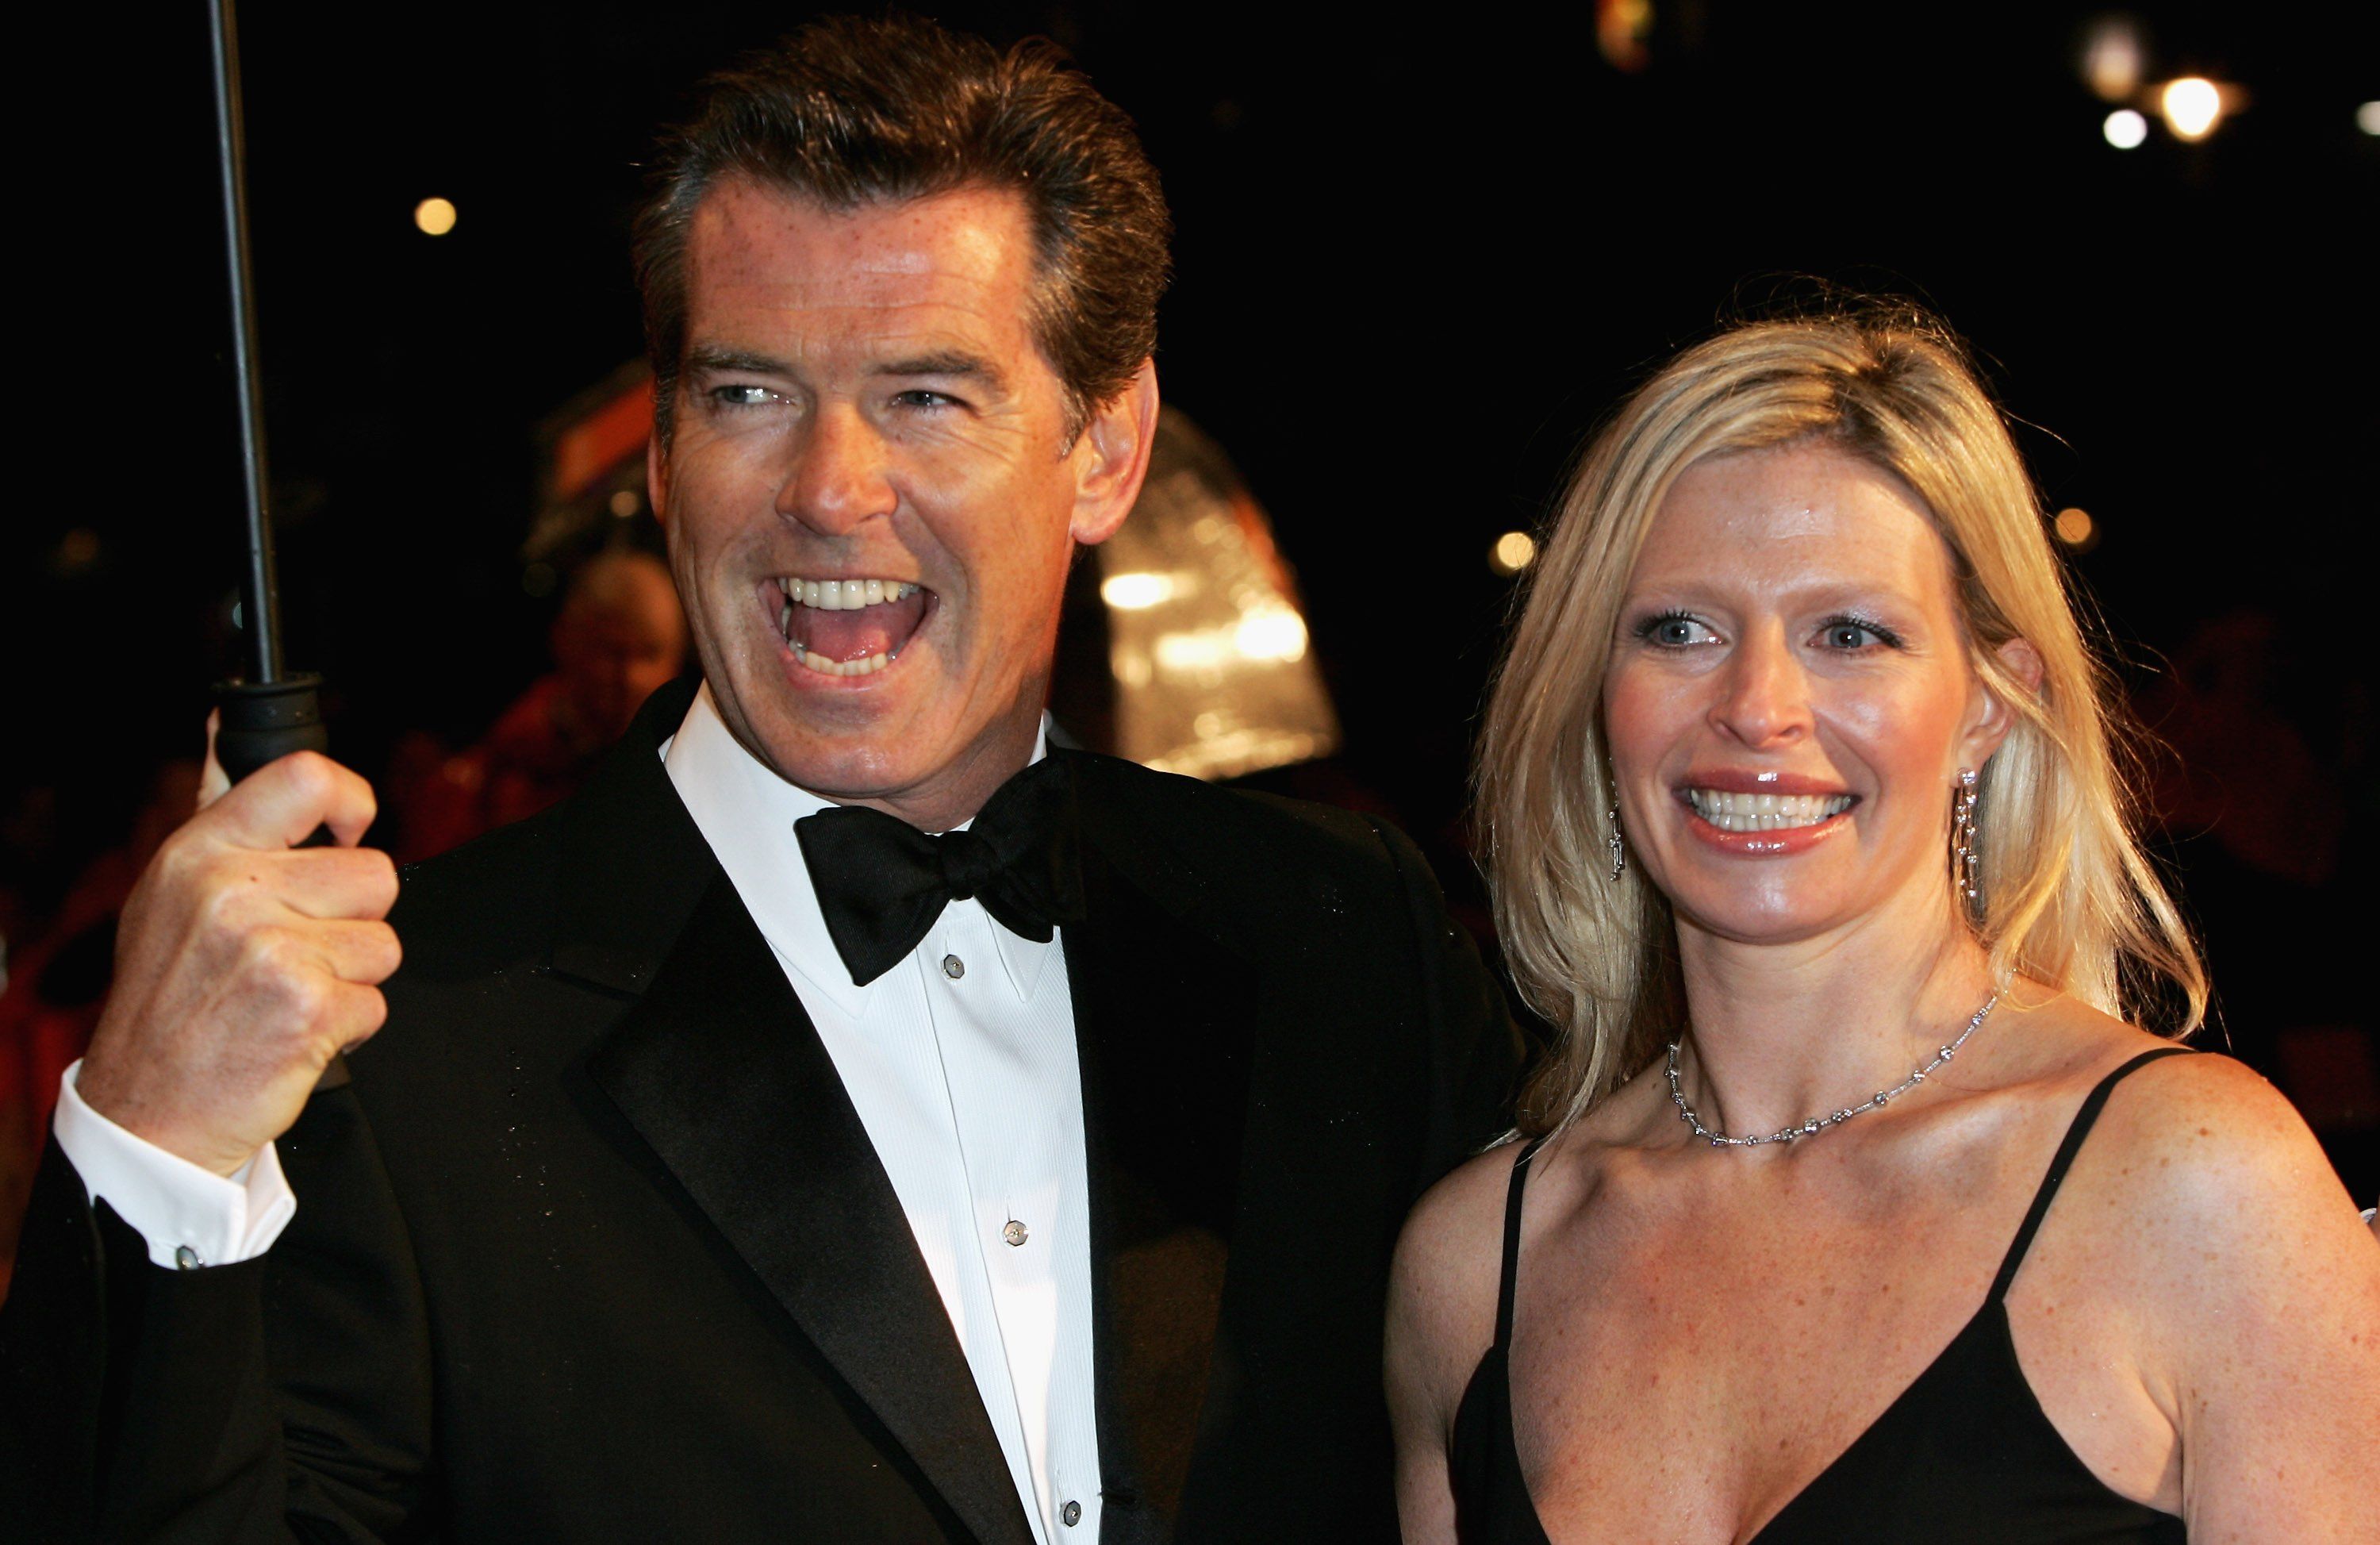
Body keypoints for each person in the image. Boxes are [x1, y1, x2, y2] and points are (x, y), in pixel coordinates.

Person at [1, 17, 1514, 1543]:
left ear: (1106, 445)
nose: (828, 490)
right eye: (748, 395)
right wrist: (153, 1141)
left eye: (927, 395)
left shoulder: (1343, 945)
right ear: (661, 454)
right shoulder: (401, 1046)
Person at [1386, 308, 2380, 1542]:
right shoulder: (1476, 1263)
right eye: (1678, 629)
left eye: (1850, 634)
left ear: (1989, 704)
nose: (1758, 705)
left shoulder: (2194, 1184)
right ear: (1597, 692)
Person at [398, 547, 688, 858]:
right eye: (612, 652)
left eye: (650, 653)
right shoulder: (489, 776)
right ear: (565, 641)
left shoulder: (690, 774)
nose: (631, 677)